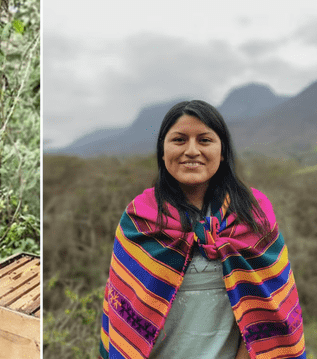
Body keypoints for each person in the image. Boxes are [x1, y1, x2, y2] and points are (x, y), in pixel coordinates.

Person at [99, 100, 305, 359]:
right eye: (179, 140)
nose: (192, 150)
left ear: (222, 151)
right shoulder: (140, 219)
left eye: (205, 140)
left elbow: (271, 313)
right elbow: (124, 314)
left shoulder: (253, 214)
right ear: (162, 152)